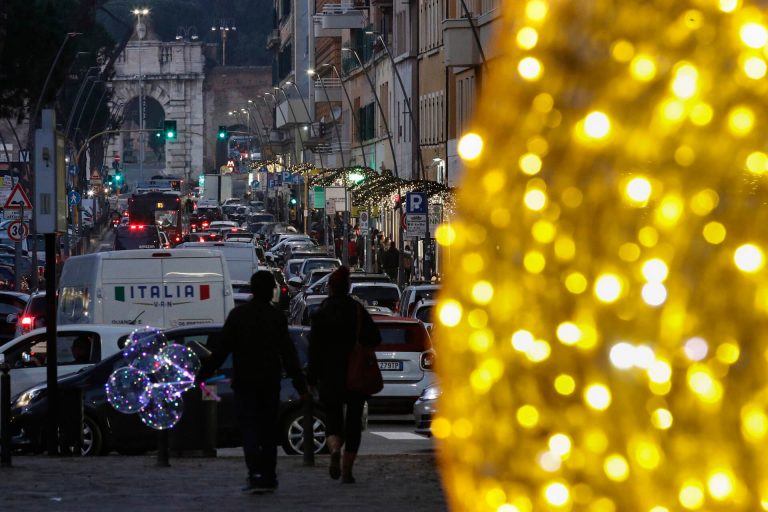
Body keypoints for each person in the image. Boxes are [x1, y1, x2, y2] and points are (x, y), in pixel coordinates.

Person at [197, 271, 308, 494]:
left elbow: (221, 351)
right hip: (269, 380)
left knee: (248, 429)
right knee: (268, 429)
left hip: (245, 380)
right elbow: (288, 353)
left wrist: (201, 375)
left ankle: (254, 472)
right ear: (270, 291)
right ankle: (269, 475)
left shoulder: (239, 315)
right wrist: (300, 384)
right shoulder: (276, 317)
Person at [307, 266, 381, 484]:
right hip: (355, 372)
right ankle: (347, 469)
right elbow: (375, 338)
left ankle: (334, 450)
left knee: (333, 418)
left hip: (330, 374)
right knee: (353, 422)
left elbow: (314, 348)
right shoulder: (356, 309)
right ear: (348, 287)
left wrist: (311, 378)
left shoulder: (323, 310)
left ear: (330, 288)